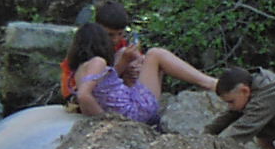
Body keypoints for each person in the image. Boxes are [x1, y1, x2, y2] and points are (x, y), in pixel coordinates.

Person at [64, 22, 216, 127]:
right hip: (135, 112)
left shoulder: (79, 71)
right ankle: (209, 83)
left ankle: (157, 114)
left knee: (145, 60)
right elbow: (84, 95)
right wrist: (105, 121)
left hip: (127, 110)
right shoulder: (97, 61)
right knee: (155, 54)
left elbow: (94, 91)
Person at [60, 0, 138, 100]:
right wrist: (123, 63)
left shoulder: (123, 45)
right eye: (110, 34)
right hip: (80, 95)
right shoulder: (88, 47)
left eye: (120, 34)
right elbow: (99, 84)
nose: (116, 39)